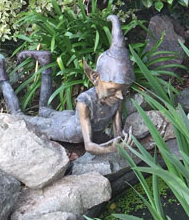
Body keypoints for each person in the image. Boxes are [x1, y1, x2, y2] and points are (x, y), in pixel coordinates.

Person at [14, 15, 135, 154]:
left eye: (124, 90)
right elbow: (89, 146)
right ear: (95, 77)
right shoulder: (85, 101)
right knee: (17, 116)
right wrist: (112, 149)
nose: (120, 96)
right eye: (113, 89)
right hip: (63, 129)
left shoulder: (116, 96)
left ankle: (45, 62)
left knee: (44, 109)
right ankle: (1, 73)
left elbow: (117, 132)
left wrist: (121, 138)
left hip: (70, 117)